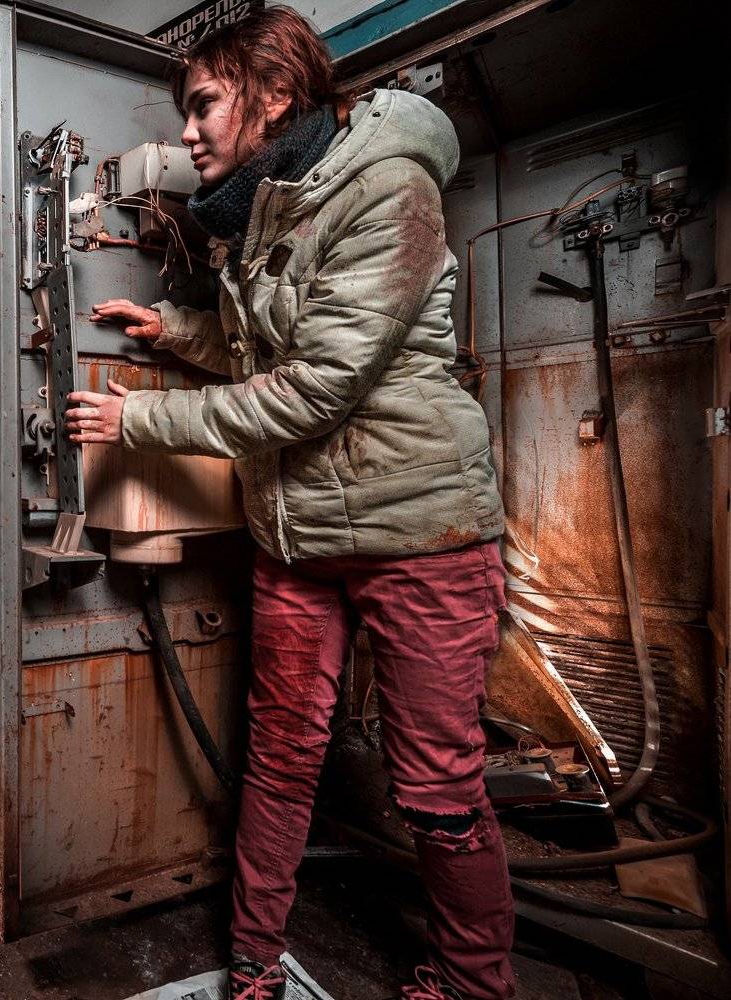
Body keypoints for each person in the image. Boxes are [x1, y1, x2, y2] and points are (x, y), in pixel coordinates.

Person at [64, 9, 511, 1000]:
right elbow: (265, 348)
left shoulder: (386, 185)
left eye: (203, 106)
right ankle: (255, 962)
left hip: (420, 532)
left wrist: (138, 421)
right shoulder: (266, 208)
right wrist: (175, 330)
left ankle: (475, 984)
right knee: (279, 758)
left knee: (437, 785)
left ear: (273, 94)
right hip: (297, 534)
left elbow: (318, 387)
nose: (188, 133)